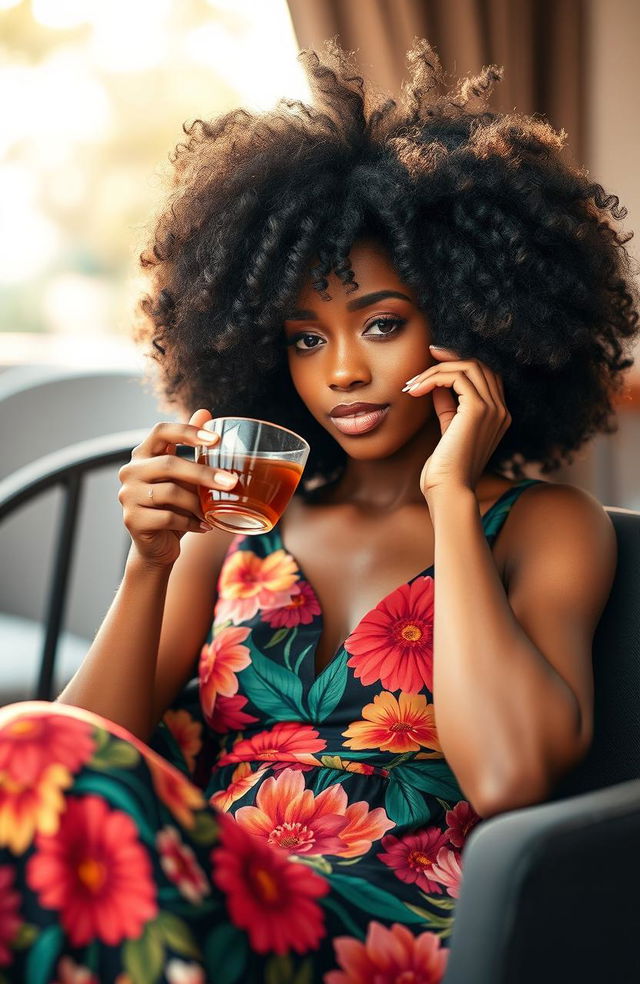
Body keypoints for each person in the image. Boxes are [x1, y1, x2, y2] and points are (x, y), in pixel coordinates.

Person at [0, 36, 636, 984]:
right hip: (204, 902)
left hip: (388, 931)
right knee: (25, 745)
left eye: (382, 324)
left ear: (470, 323)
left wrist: (451, 499)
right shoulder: (240, 526)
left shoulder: (544, 528)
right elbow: (82, 759)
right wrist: (150, 561)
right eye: (306, 337)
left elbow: (510, 779)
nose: (341, 370)